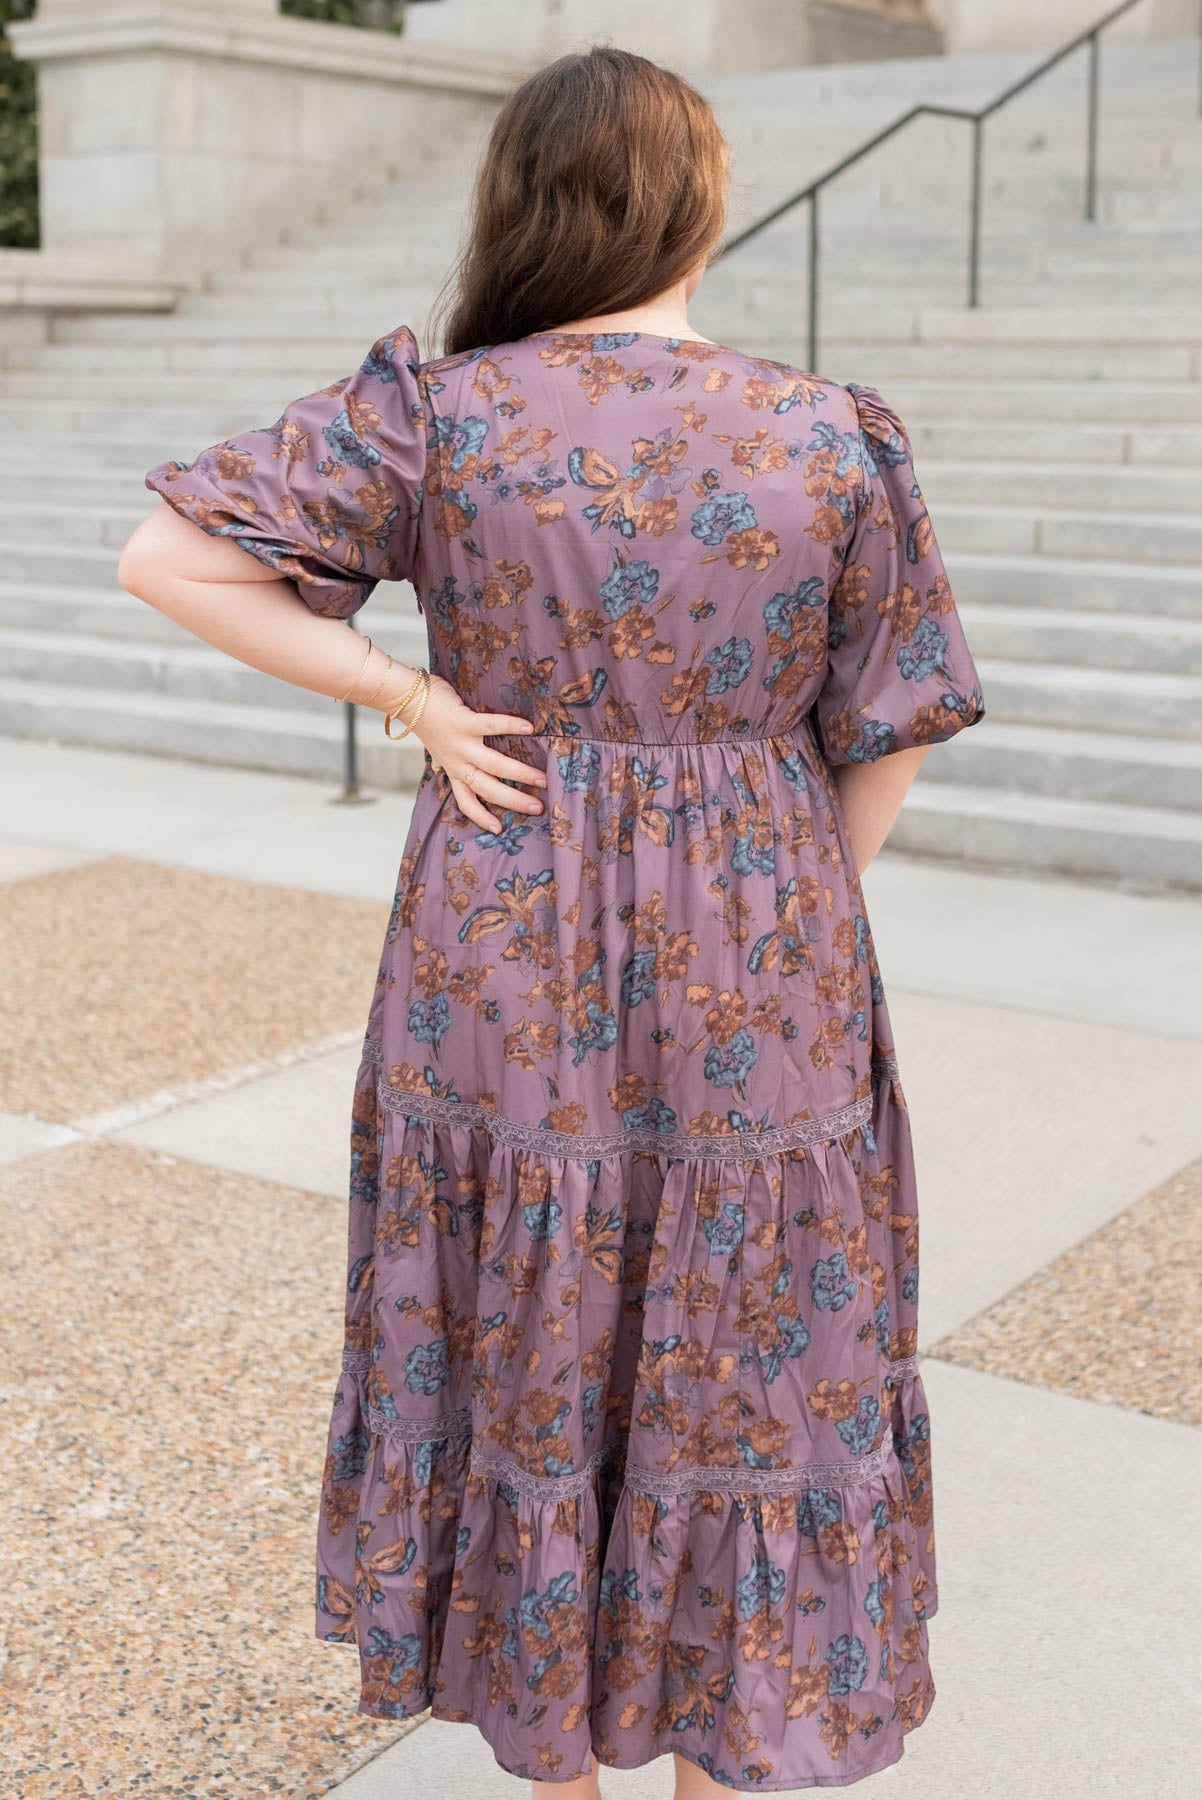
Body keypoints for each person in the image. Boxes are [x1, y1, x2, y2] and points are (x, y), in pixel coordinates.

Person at [118, 43, 985, 1799]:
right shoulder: (824, 430)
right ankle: (719, 1747)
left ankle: (561, 1763)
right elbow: (889, 723)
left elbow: (168, 557)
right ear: (698, 199)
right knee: (753, 1330)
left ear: (520, 200)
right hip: (767, 939)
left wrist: (406, 696)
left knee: (532, 1304)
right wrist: (787, 898)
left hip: (504, 931)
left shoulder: (440, 415)